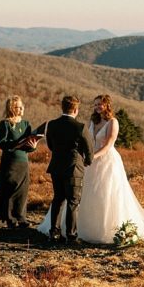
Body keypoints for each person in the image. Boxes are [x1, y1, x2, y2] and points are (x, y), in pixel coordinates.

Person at [38, 94, 144, 245]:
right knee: (81, 196)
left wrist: (91, 158)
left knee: (105, 194)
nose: (97, 107)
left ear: (107, 105)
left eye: (100, 104)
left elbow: (108, 145)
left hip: (106, 161)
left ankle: (103, 228)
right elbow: (86, 141)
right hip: (88, 162)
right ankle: (76, 229)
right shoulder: (92, 121)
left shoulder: (113, 122)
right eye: (95, 104)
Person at [39, 95, 92, 243]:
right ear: (76, 109)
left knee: (58, 200)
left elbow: (50, 146)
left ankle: (54, 233)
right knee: (73, 202)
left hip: (56, 167)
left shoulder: (52, 125)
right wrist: (87, 161)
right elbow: (89, 150)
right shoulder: (80, 127)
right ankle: (71, 235)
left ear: (62, 107)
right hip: (74, 168)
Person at [0, 95, 39, 228]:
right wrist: (16, 143)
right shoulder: (5, 124)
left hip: (23, 162)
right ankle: (10, 218)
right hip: (10, 162)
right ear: (11, 108)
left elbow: (28, 147)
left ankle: (21, 217)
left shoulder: (26, 124)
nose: (21, 108)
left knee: (22, 190)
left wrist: (33, 147)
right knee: (10, 189)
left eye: (21, 106)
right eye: (17, 107)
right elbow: (1, 143)